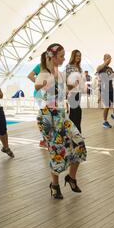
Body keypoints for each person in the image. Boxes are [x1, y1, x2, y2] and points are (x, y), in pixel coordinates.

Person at [35, 43, 87, 200]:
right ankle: (55, 185)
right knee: (57, 152)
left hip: (62, 116)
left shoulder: (61, 73)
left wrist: (74, 86)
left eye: (64, 56)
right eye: (61, 56)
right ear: (52, 57)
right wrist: (44, 84)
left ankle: (71, 177)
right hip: (48, 118)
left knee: (79, 143)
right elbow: (38, 85)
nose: (64, 58)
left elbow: (63, 91)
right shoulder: (44, 74)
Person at [27, 52, 47, 148]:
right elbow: (30, 75)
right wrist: (39, 82)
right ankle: (43, 139)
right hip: (40, 94)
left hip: (49, 95)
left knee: (48, 116)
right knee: (44, 116)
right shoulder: (39, 66)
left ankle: (46, 139)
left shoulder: (52, 68)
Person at [97, 54, 114, 129]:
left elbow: (112, 77)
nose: (109, 59)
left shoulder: (110, 68)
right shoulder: (100, 67)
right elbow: (98, 69)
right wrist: (106, 62)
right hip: (104, 90)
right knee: (107, 106)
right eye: (107, 58)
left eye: (110, 58)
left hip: (111, 89)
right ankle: (105, 122)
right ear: (104, 59)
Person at [65, 50, 84, 134]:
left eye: (79, 56)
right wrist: (72, 86)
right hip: (71, 92)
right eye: (77, 56)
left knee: (73, 114)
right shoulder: (69, 66)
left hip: (78, 92)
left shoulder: (79, 68)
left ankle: (72, 132)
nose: (78, 57)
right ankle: (77, 132)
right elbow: (66, 79)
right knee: (77, 112)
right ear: (73, 56)